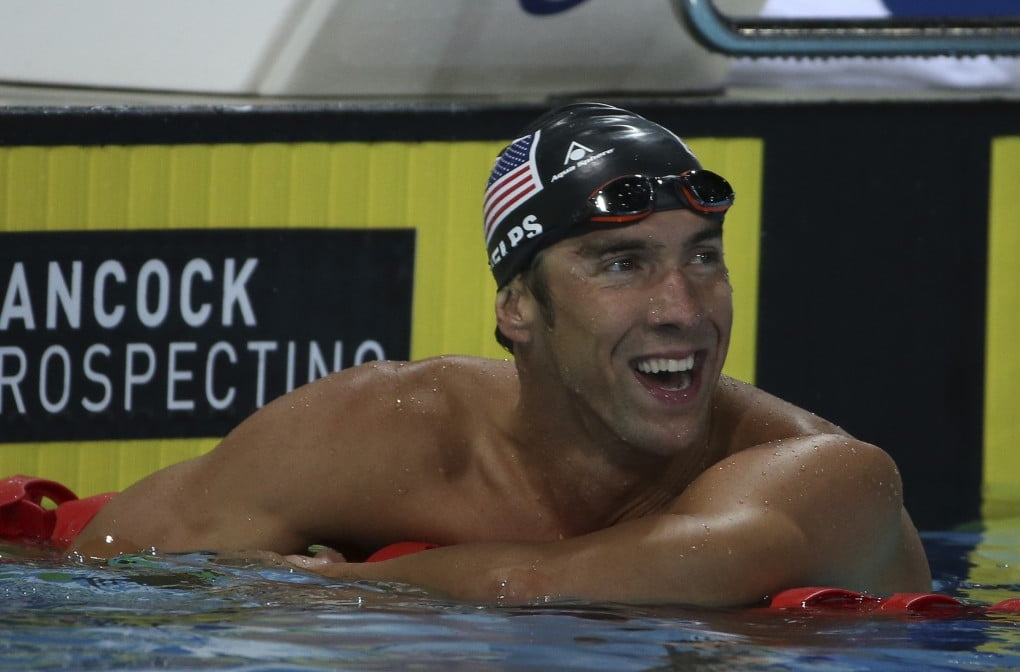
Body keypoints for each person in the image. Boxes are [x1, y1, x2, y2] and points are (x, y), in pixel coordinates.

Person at [69, 103, 931, 606]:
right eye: (623, 263)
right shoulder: (387, 429)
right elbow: (102, 564)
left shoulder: (824, 477)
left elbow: (568, 580)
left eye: (702, 255)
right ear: (517, 306)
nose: (682, 308)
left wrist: (326, 591)